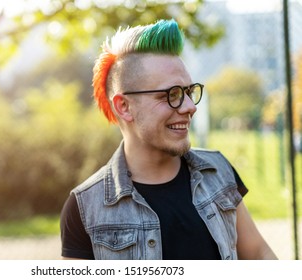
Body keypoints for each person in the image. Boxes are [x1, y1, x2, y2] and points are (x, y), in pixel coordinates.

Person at [60, 19, 277, 260]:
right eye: (171, 95)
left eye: (188, 92)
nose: (189, 107)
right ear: (124, 107)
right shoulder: (85, 207)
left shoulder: (219, 171)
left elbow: (258, 254)